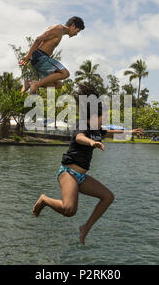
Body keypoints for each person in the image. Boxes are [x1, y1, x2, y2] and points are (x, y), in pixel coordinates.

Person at [32, 86, 144, 244]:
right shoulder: (83, 125)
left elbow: (111, 132)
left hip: (81, 177)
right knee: (69, 210)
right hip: (68, 172)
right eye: (102, 117)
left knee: (108, 197)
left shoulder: (98, 130)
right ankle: (44, 199)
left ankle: (85, 227)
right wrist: (92, 142)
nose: (103, 121)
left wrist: (130, 132)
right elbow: (78, 138)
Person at [18, 16, 85, 95]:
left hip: (41, 59)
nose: (76, 34)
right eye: (77, 31)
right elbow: (38, 39)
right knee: (65, 73)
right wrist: (28, 56)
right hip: (40, 56)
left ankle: (29, 83)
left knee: (58, 85)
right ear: (73, 25)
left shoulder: (61, 32)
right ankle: (36, 84)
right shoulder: (58, 28)